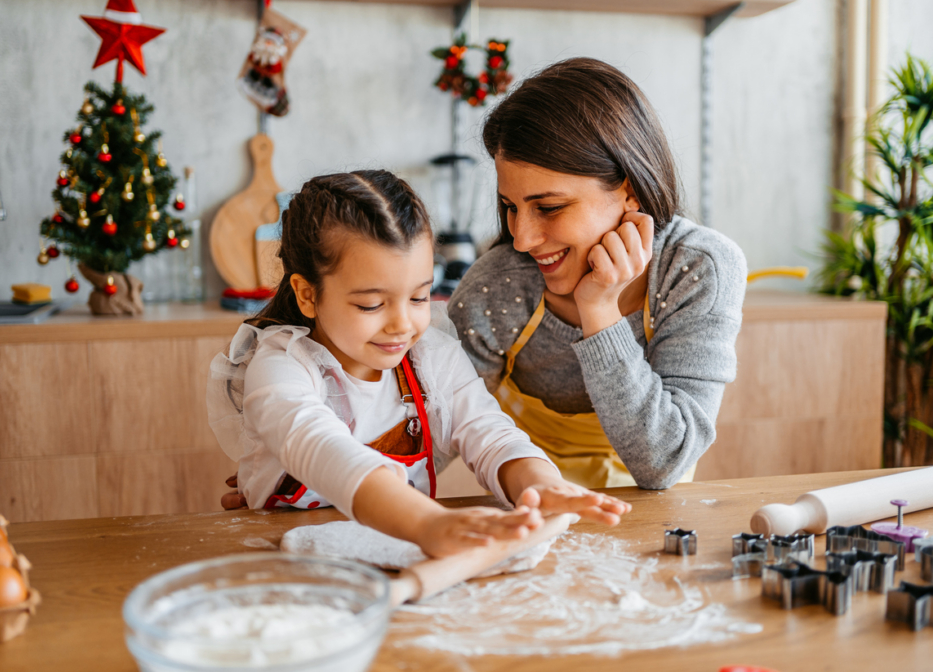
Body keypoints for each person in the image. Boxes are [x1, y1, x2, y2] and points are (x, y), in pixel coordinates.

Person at [207, 170, 629, 558]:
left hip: (400, 554)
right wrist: (427, 521)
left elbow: (490, 433)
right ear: (307, 295)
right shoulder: (282, 365)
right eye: (371, 304)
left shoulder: (430, 360)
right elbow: (319, 447)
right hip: (284, 566)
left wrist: (540, 487)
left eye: (419, 297)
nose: (403, 325)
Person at [448, 58, 747, 490]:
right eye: (511, 207)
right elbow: (432, 431)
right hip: (530, 511)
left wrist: (600, 309)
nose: (522, 239)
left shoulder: (697, 270)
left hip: (657, 515)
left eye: (549, 207)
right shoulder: (499, 285)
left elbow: (664, 463)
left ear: (629, 189)